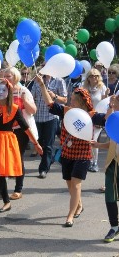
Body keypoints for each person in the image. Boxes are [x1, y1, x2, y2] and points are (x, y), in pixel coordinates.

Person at [34, 76, 104, 227]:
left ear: (81, 101)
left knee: (76, 184)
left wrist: (111, 106)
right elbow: (50, 104)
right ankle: (79, 205)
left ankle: (70, 215)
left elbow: (107, 120)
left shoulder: (92, 115)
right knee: (70, 184)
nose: (71, 101)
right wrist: (41, 86)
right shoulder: (67, 111)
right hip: (67, 153)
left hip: (83, 154)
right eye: (71, 98)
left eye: (74, 99)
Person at [0, 81, 42, 217]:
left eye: (3, 90)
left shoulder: (15, 108)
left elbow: (25, 127)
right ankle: (7, 202)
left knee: (0, 173)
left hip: (6, 142)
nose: (0, 92)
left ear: (9, 93)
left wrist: (36, 144)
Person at [5, 67, 37, 200]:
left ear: (16, 77)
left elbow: (33, 110)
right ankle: (0, 190)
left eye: (9, 76)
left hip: (21, 131)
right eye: (4, 76)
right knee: (4, 159)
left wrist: (24, 101)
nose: (6, 78)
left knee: (18, 159)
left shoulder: (24, 91)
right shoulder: (3, 91)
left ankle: (18, 189)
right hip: (5, 130)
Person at [91, 96, 118, 241]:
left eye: (115, 102)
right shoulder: (115, 119)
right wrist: (98, 145)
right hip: (112, 162)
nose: (113, 104)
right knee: (110, 196)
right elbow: (113, 141)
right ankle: (114, 226)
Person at [31, 72, 67, 179]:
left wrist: (55, 96)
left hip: (52, 117)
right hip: (38, 117)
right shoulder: (37, 80)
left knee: (47, 144)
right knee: (39, 144)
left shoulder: (59, 80)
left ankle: (43, 169)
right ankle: (50, 157)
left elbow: (65, 99)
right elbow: (32, 97)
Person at [83, 68, 109, 172]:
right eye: (92, 76)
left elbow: (105, 103)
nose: (94, 78)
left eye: (96, 76)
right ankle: (87, 160)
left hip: (98, 117)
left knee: (93, 139)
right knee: (86, 139)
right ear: (88, 78)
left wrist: (106, 94)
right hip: (86, 116)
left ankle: (95, 162)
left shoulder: (102, 87)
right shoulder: (84, 87)